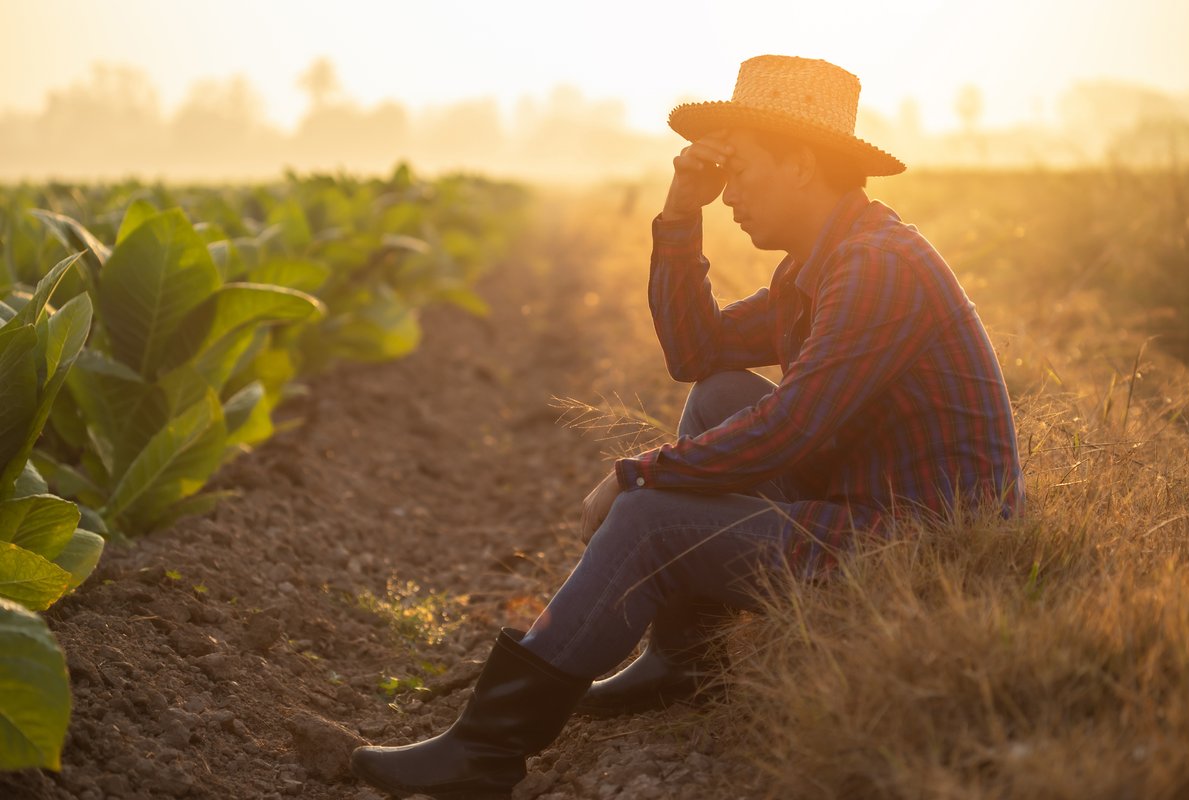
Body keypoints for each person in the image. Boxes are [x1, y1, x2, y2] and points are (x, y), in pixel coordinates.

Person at [351, 55, 1024, 799]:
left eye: (742, 172)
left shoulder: (875, 267)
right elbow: (694, 353)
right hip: (867, 501)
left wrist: (637, 472)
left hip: (916, 546)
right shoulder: (823, 261)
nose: (729, 193)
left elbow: (789, 430)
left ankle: (484, 752)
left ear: (802, 165)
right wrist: (681, 210)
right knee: (719, 391)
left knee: (647, 520)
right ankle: (685, 660)